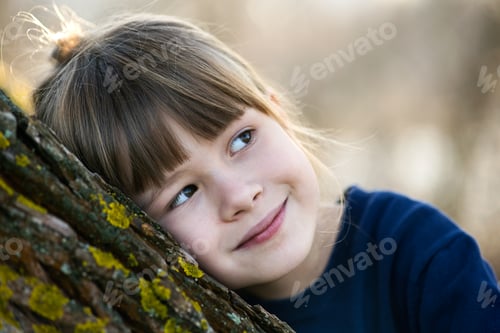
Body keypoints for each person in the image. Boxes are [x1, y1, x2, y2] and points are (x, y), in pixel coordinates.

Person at [29, 10, 499, 332]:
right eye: (183, 193)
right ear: (138, 232)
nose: (239, 196)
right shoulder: (168, 309)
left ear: (277, 112)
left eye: (241, 139)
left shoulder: (420, 253)